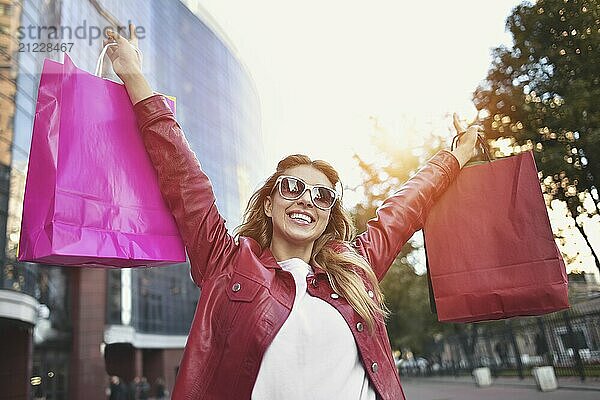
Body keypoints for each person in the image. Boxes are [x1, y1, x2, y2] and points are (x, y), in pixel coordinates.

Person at [102, 24, 479, 400]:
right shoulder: (227, 263)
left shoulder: (354, 271)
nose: (306, 200)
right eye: (292, 187)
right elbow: (185, 180)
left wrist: (456, 156)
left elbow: (403, 209)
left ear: (328, 215)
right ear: (269, 202)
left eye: (322, 196)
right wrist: (134, 76)